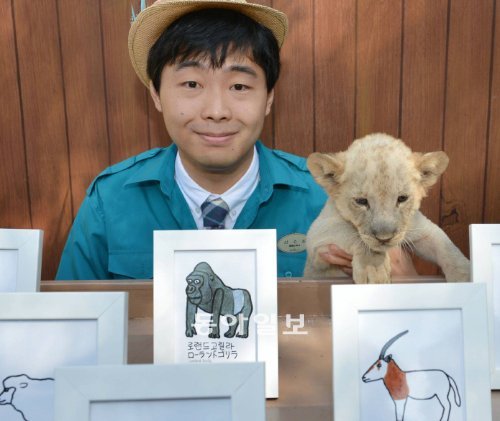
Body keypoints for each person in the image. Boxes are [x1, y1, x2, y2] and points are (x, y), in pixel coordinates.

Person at [56, 0, 416, 280]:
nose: (216, 110)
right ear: (156, 94)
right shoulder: (111, 200)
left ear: (269, 97)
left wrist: (401, 283)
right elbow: (73, 333)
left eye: (239, 86)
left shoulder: (332, 197)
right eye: (191, 84)